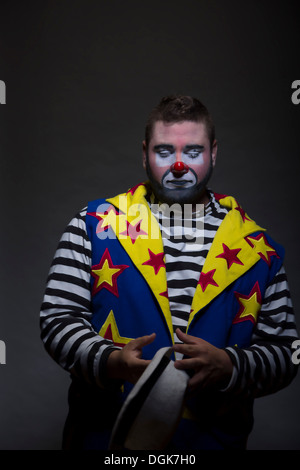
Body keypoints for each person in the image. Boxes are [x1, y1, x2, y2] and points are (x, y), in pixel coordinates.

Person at [40, 95, 298, 450]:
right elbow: (58, 320)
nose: (178, 165)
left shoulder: (258, 249)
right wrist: (113, 362)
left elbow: (286, 353)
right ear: (144, 154)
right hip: (107, 442)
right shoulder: (93, 225)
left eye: (192, 151)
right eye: (164, 152)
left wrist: (229, 365)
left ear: (214, 153)